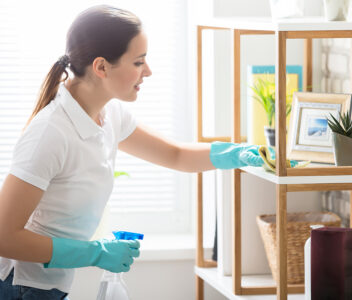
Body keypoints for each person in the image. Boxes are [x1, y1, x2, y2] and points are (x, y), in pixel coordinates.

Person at [0, 5, 264, 300]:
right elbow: (4, 236)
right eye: (139, 62)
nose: (148, 71)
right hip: (17, 284)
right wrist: (94, 253)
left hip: (46, 285)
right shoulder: (51, 133)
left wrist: (236, 153)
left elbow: (175, 155)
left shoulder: (108, 114)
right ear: (101, 67)